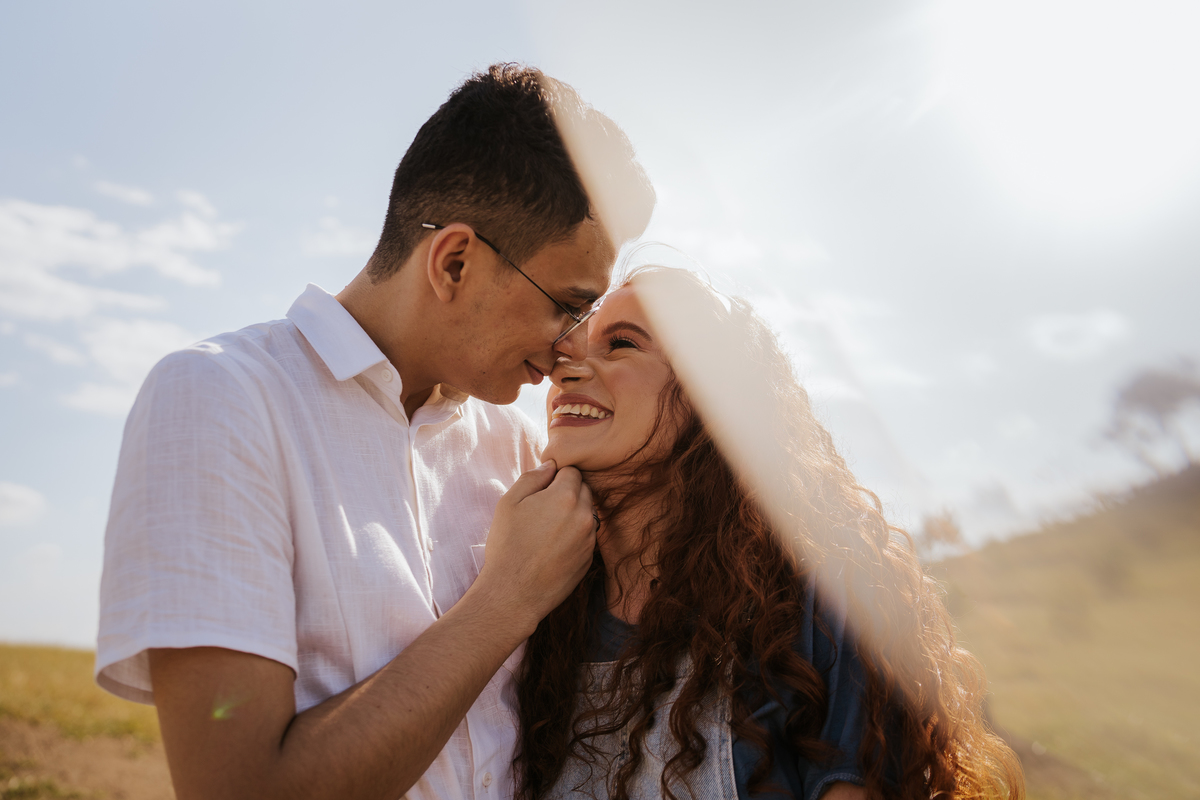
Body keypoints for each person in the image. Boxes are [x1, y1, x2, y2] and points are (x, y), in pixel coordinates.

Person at [95, 64, 654, 800]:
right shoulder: (220, 400)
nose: (569, 347)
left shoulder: (521, 453)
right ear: (454, 262)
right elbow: (238, 788)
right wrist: (503, 603)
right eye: (567, 306)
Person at [515, 268, 1024, 800]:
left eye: (621, 344)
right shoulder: (539, 604)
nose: (564, 368)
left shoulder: (822, 593)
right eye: (572, 346)